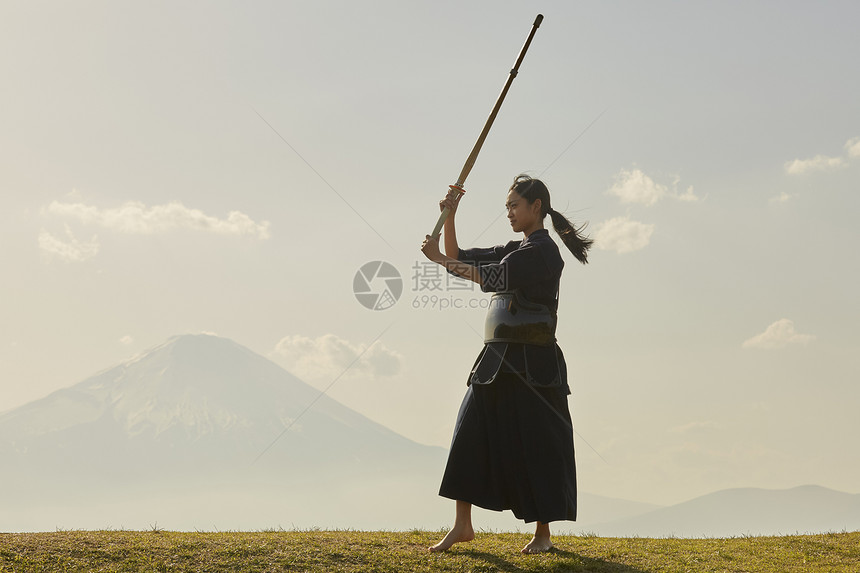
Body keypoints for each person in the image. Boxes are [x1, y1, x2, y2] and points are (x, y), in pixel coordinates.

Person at [420, 174, 592, 554]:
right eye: (508, 207)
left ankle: (542, 534)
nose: (510, 213)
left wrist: (438, 258)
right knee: (469, 431)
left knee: (540, 443)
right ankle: (462, 526)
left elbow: (490, 276)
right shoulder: (516, 247)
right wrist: (451, 215)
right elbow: (461, 260)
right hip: (496, 359)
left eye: (515, 206)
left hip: (535, 362)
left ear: (537, 208)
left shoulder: (543, 252)